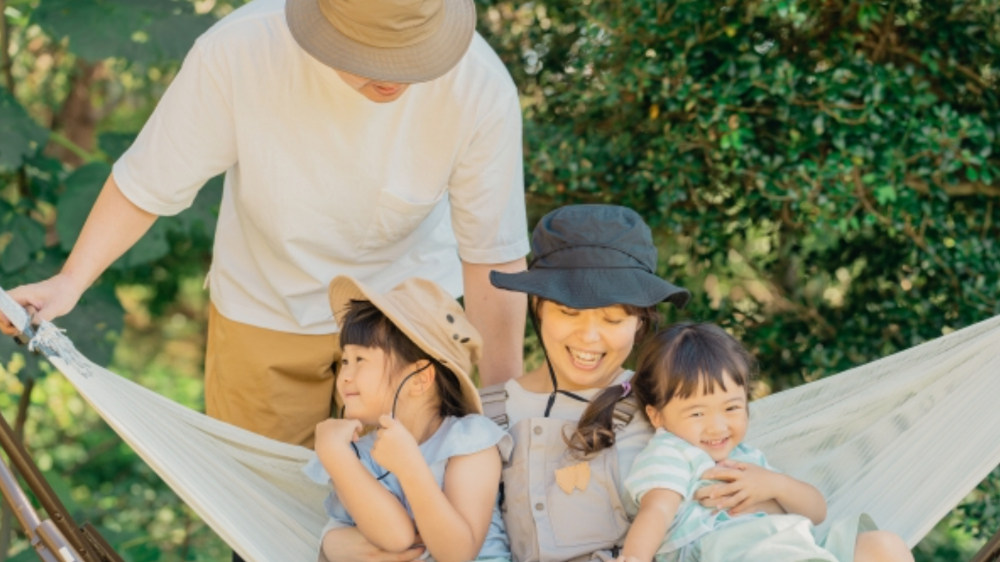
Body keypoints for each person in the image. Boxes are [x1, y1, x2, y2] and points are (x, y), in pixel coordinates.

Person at [0, 0, 529, 450]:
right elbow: (148, 182)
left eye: (411, 56)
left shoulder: (479, 85)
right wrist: (69, 281)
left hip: (406, 315)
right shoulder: (239, 50)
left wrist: (500, 408)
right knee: (263, 504)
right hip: (264, 309)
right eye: (373, 56)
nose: (393, 73)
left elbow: (493, 254)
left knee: (404, 505)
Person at [579, 322, 913, 562]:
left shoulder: (747, 457)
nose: (717, 426)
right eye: (697, 413)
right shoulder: (672, 452)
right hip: (727, 552)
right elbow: (657, 509)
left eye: (732, 408)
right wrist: (636, 558)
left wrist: (775, 484)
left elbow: (817, 512)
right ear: (657, 417)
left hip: (794, 547)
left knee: (883, 546)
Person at [479, 204, 692, 562]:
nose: (589, 337)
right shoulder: (483, 415)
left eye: (612, 319)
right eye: (569, 312)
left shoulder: (666, 408)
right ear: (538, 306)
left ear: (640, 322)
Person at [306, 275, 510, 562]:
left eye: (360, 360)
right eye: (345, 361)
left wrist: (409, 467)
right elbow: (396, 536)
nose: (345, 376)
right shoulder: (352, 455)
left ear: (419, 379)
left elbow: (458, 553)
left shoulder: (469, 442)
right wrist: (334, 453)